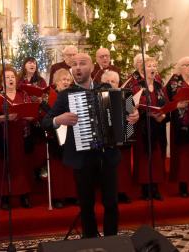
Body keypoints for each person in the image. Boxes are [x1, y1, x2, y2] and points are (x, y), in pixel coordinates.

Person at [41, 53, 139, 237]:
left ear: (91, 68)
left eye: (82, 63)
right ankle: (91, 240)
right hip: (82, 158)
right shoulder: (65, 95)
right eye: (74, 64)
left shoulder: (107, 89)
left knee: (111, 204)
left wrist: (134, 117)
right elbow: (45, 122)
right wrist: (58, 119)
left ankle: (111, 241)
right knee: (86, 205)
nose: (77, 67)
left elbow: (128, 109)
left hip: (107, 155)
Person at [0, 66, 35, 210]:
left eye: (12, 77)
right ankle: (5, 197)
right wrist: (4, 117)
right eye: (7, 77)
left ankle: (24, 196)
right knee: (4, 166)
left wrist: (22, 114)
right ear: (1, 82)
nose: (10, 79)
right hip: (5, 136)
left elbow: (33, 116)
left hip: (22, 135)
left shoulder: (24, 95)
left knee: (23, 166)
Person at [132, 57, 170, 201]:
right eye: (149, 66)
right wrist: (146, 113)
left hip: (158, 126)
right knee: (144, 158)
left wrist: (163, 116)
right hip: (142, 127)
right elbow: (132, 107)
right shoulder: (136, 87)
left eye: (154, 66)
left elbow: (166, 104)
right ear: (143, 70)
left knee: (157, 159)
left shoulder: (160, 86)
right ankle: (144, 188)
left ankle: (155, 188)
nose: (153, 68)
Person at [41, 68, 79, 209]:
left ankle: (71, 195)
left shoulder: (73, 94)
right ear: (56, 81)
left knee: (70, 166)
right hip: (54, 135)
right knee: (57, 169)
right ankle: (57, 197)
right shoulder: (48, 96)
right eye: (63, 80)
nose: (66, 82)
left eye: (68, 80)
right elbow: (45, 117)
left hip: (70, 133)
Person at [166, 57, 189, 197]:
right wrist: (177, 105)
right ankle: (183, 185)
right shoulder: (173, 82)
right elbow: (165, 101)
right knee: (183, 156)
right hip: (181, 125)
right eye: (187, 65)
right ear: (180, 67)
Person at [101, 70, 132, 204]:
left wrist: (132, 121)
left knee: (123, 167)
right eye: (107, 82)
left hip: (122, 137)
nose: (110, 84)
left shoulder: (127, 96)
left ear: (118, 83)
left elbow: (131, 116)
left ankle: (122, 192)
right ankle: (107, 193)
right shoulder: (98, 96)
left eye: (113, 82)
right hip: (104, 140)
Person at [17, 57, 47, 180]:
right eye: (29, 62)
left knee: (38, 143)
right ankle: (26, 170)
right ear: (24, 65)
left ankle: (38, 170)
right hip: (24, 114)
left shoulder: (40, 81)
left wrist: (40, 99)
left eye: (34, 63)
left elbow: (46, 96)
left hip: (38, 114)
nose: (32, 64)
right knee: (26, 143)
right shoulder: (19, 81)